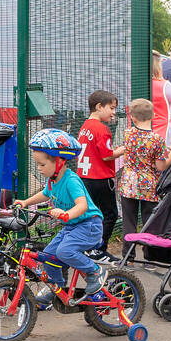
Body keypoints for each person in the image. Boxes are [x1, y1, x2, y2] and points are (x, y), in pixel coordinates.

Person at [13, 129, 107, 303]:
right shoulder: (52, 180)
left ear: (58, 162)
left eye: (42, 165)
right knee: (49, 256)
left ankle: (94, 270)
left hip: (89, 225)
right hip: (72, 226)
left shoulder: (71, 180)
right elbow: (45, 193)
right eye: (37, 165)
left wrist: (66, 214)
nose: (39, 169)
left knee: (64, 251)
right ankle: (57, 288)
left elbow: (82, 205)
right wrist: (25, 202)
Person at [116, 98, 171, 254]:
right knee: (150, 220)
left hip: (128, 183)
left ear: (133, 118)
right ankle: (149, 253)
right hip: (149, 184)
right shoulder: (156, 139)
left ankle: (127, 255)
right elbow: (161, 166)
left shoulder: (128, 133)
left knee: (129, 220)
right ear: (153, 115)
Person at [76, 89, 122, 261]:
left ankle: (87, 248)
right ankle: (99, 249)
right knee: (110, 214)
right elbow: (107, 155)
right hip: (100, 178)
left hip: (85, 177)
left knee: (91, 214)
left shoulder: (84, 126)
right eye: (111, 108)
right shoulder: (101, 128)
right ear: (99, 107)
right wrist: (121, 151)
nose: (113, 112)